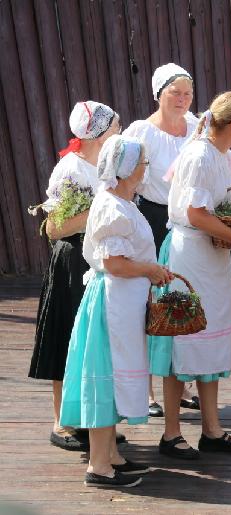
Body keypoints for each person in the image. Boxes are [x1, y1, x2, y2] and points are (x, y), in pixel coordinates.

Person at [154, 91, 231, 459]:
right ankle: (171, 433)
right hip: (188, 254)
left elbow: (225, 205)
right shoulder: (200, 155)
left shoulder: (226, 157)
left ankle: (211, 430)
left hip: (212, 256)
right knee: (182, 337)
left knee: (209, 338)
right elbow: (197, 213)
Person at [60, 134, 173, 487]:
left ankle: (111, 455)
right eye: (142, 163)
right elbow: (115, 263)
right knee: (105, 378)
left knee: (116, 375)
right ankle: (98, 466)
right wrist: (151, 270)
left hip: (124, 301)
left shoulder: (124, 202)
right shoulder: (111, 206)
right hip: (111, 302)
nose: (145, 169)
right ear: (126, 169)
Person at [28, 101, 121, 451]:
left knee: (96, 341)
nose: (120, 130)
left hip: (102, 259)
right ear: (98, 132)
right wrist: (101, 208)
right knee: (67, 336)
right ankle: (62, 422)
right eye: (115, 125)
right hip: (73, 263)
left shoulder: (109, 164)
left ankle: (92, 423)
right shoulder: (70, 169)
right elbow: (55, 228)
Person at [123, 63, 200, 418]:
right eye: (175, 92)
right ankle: (149, 391)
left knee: (184, 294)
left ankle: (180, 383)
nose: (182, 99)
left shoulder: (198, 127)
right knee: (150, 299)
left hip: (188, 219)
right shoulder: (141, 131)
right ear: (158, 95)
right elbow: (127, 178)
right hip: (153, 217)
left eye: (187, 93)